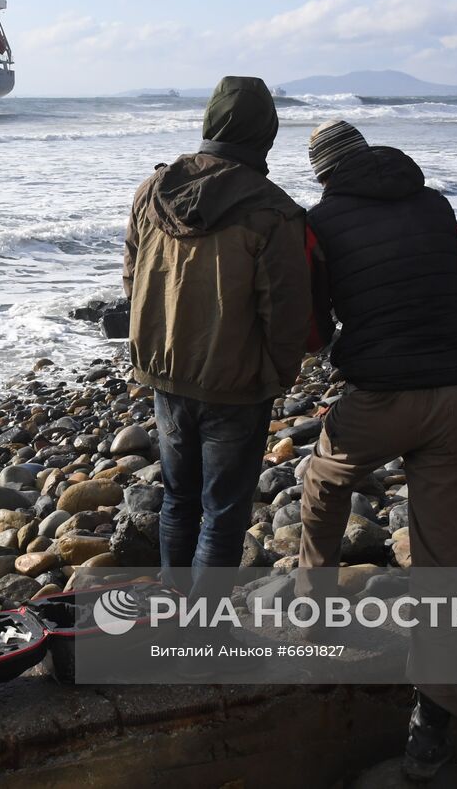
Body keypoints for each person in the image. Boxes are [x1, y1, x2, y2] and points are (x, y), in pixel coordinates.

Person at [296, 119, 457, 780]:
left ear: (322, 171)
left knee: (322, 479)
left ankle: (313, 611)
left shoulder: (319, 223)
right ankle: (432, 721)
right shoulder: (435, 202)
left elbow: (317, 327)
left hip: (380, 397)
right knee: (442, 552)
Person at [122, 75, 311, 600]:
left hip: (164, 371)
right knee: (223, 512)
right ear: (265, 133)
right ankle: (202, 637)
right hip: (235, 382)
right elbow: (287, 310)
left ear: (211, 120)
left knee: (179, 498)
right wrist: (277, 373)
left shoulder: (152, 192)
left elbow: (132, 277)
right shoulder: (272, 210)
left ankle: (170, 616)